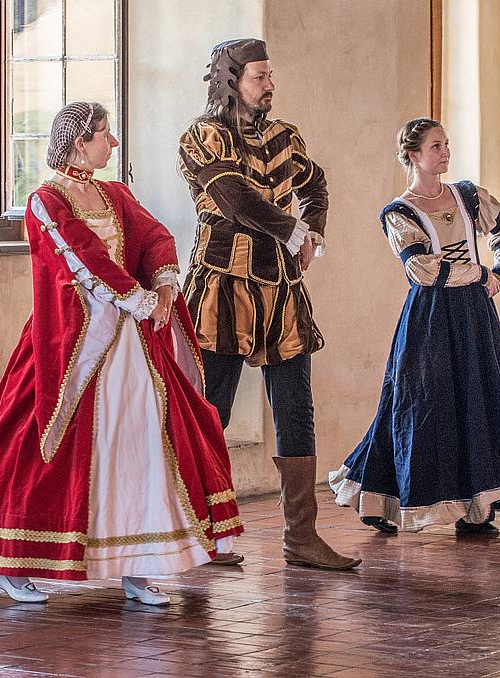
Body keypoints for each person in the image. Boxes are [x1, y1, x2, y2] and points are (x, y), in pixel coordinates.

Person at [0, 102, 244, 606]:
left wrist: (163, 286)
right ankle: (9, 560)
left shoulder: (115, 193)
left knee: (142, 443)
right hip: (69, 343)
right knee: (31, 444)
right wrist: (138, 299)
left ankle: (139, 562)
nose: (112, 143)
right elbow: (82, 258)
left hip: (131, 344)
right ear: (80, 142)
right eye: (104, 134)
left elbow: (154, 236)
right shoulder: (46, 201)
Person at [178, 38, 360, 570]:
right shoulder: (202, 137)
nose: (269, 85)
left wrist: (314, 233)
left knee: (296, 410)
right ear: (231, 80)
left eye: (270, 75)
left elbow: (316, 183)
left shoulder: (285, 136)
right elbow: (235, 199)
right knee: (211, 409)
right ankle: (196, 532)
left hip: (282, 290)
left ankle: (301, 537)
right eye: (259, 76)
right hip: (223, 286)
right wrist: (292, 230)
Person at [329, 117, 500, 537]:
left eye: (446, 144)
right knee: (418, 406)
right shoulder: (400, 212)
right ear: (413, 155)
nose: (445, 152)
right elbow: (423, 270)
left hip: (474, 316)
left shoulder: (467, 196)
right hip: (429, 318)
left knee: (481, 400)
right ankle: (377, 496)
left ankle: (478, 507)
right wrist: (479, 273)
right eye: (436, 146)